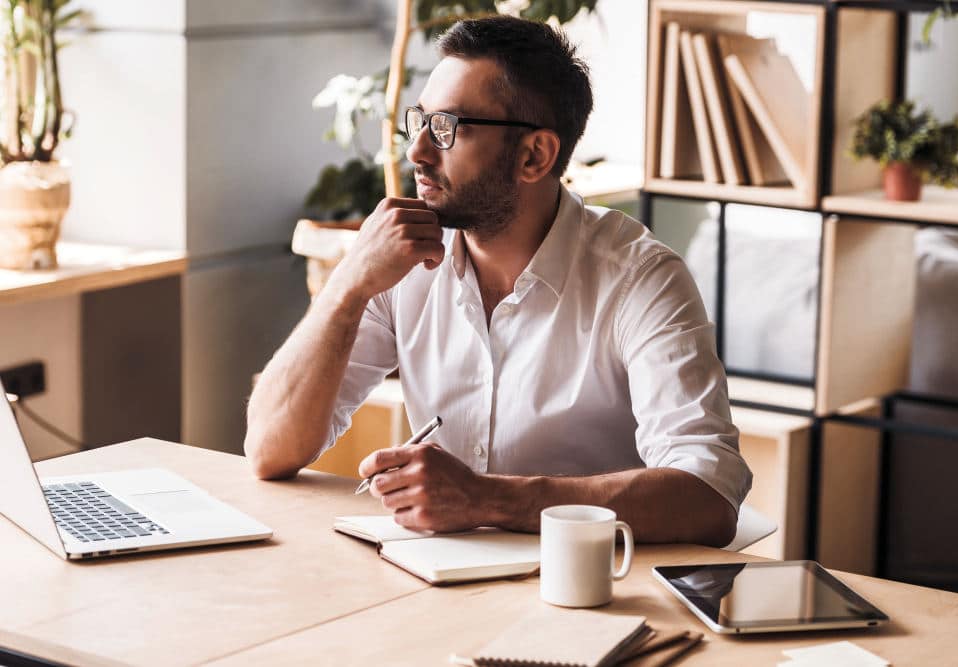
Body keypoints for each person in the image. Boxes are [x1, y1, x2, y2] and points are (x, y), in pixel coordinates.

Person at [244, 15, 751, 546]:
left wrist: (487, 499)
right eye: (420, 121)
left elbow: (709, 496)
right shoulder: (398, 262)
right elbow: (269, 449)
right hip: (435, 578)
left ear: (535, 155)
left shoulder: (641, 280)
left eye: (447, 129)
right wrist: (346, 286)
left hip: (590, 591)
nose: (416, 151)